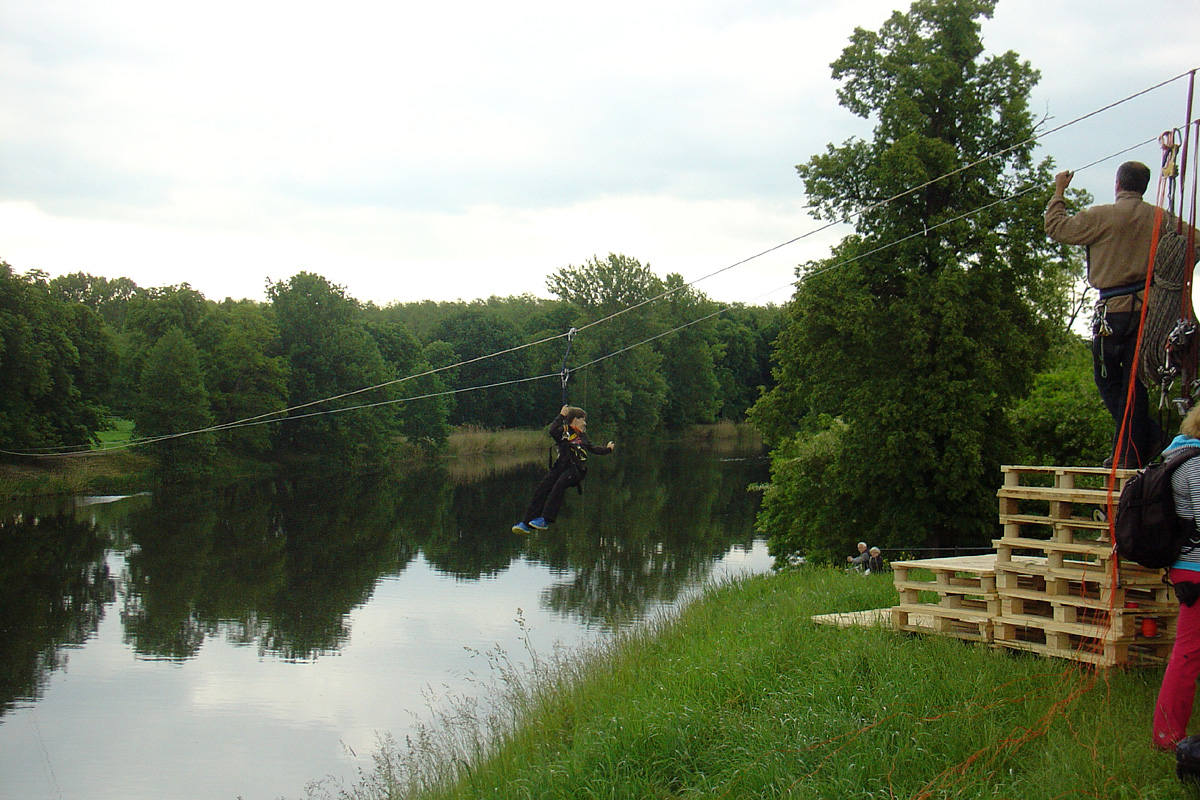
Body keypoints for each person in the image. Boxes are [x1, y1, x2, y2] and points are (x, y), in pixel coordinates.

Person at [1044, 161, 1176, 468]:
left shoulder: (1101, 216)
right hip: (1148, 313)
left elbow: (1056, 227)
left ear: (1117, 184)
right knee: (1134, 384)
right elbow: (1193, 240)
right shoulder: (1161, 219)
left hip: (1112, 314)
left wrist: (1059, 190)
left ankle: (1142, 443)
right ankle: (1136, 447)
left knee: (1108, 382)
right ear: (1143, 186)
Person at [1153, 403, 1200, 751]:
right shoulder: (1196, 465)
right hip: (1196, 569)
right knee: (1188, 652)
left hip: (1188, 566)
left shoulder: (1180, 455)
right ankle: (1167, 735)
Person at [512, 405, 614, 534]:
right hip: (560, 467)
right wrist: (561, 416)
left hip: (576, 470)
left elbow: (593, 448)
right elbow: (552, 430)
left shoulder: (582, 436)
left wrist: (608, 449)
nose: (585, 423)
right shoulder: (563, 431)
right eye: (583, 420)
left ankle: (546, 519)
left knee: (559, 485)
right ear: (575, 419)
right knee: (542, 488)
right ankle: (527, 522)